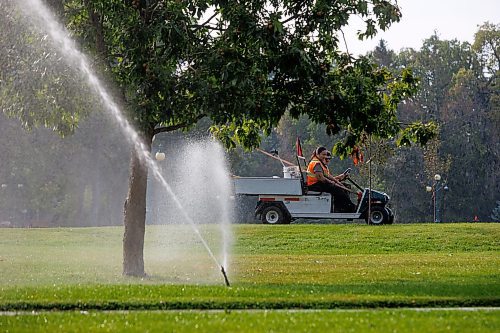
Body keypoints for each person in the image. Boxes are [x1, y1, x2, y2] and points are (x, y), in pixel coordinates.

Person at [306, 146, 356, 213]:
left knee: (343, 186)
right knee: (337, 189)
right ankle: (348, 207)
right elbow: (321, 178)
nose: (325, 157)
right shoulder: (316, 163)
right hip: (314, 185)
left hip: (318, 184)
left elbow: (328, 176)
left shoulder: (320, 163)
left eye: (325, 155)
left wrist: (337, 182)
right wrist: (333, 183)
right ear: (317, 154)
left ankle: (344, 207)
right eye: (323, 154)